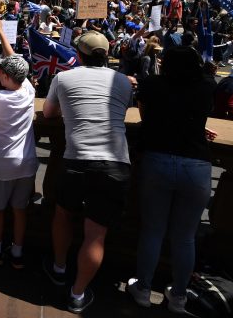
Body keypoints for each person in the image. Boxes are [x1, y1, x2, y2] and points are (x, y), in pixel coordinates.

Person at [42, 30, 133, 313]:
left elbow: (48, 114)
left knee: (62, 214)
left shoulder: (64, 78)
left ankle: (58, 268)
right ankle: (78, 295)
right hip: (114, 164)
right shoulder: (123, 81)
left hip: (76, 160)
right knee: (96, 234)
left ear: (78, 55)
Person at [126, 46, 217, 313]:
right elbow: (195, 116)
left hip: (158, 159)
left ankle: (142, 288)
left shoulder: (153, 84)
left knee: (153, 230)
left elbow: (146, 116)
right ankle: (179, 297)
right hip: (196, 163)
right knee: (185, 237)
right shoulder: (206, 86)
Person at [0, 20, 38, 269]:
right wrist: (2, 32)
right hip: (26, 162)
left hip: (3, 161)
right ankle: (17, 253)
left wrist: (1, 31)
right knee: (20, 209)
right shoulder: (28, 91)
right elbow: (14, 60)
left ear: (4, 76)